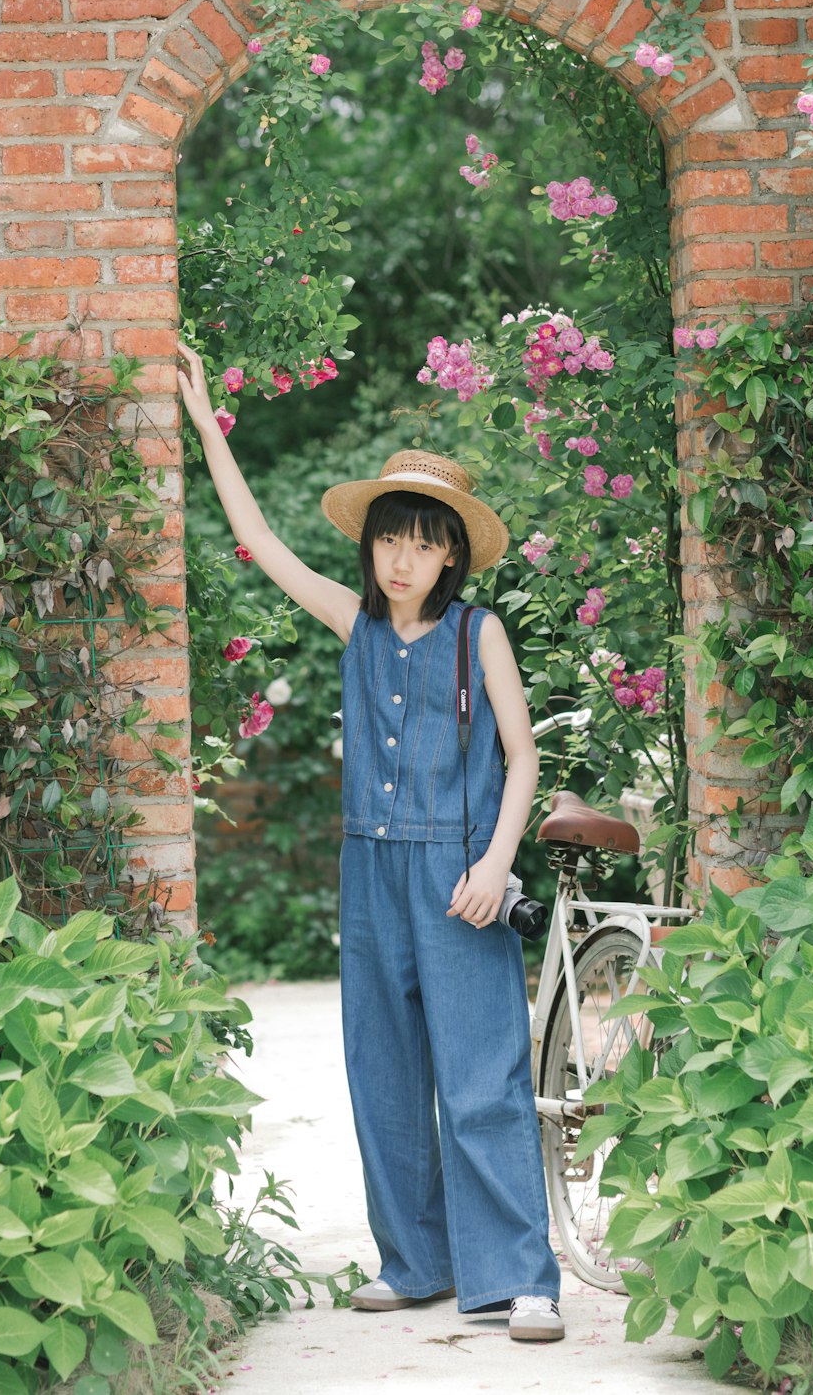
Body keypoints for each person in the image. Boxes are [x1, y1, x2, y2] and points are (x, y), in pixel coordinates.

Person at [176, 342, 564, 1344]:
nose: (400, 559)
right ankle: (416, 1262)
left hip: (457, 871)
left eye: (422, 542)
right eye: (388, 539)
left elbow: (522, 760)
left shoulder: (478, 634)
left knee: (479, 1075)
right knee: (383, 1073)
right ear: (372, 548)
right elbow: (258, 540)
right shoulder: (351, 624)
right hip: (370, 869)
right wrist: (203, 414)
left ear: (450, 555)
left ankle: (523, 1276)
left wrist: (491, 865)